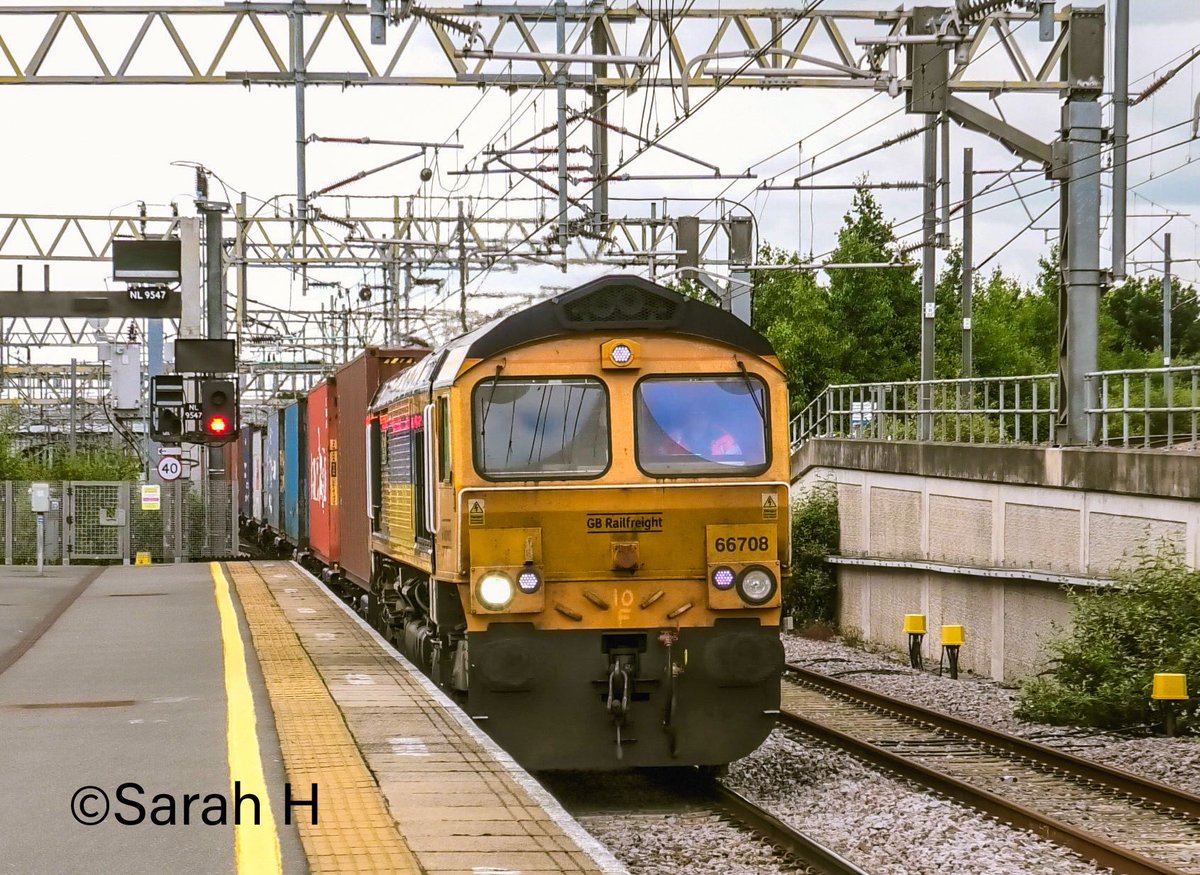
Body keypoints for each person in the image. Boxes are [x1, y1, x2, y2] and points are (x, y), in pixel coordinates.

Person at [667, 405, 741, 457]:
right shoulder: (675, 438)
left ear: (709, 417)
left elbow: (738, 466)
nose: (699, 418)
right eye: (694, 414)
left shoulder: (726, 440)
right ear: (688, 418)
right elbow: (664, 464)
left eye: (703, 414)